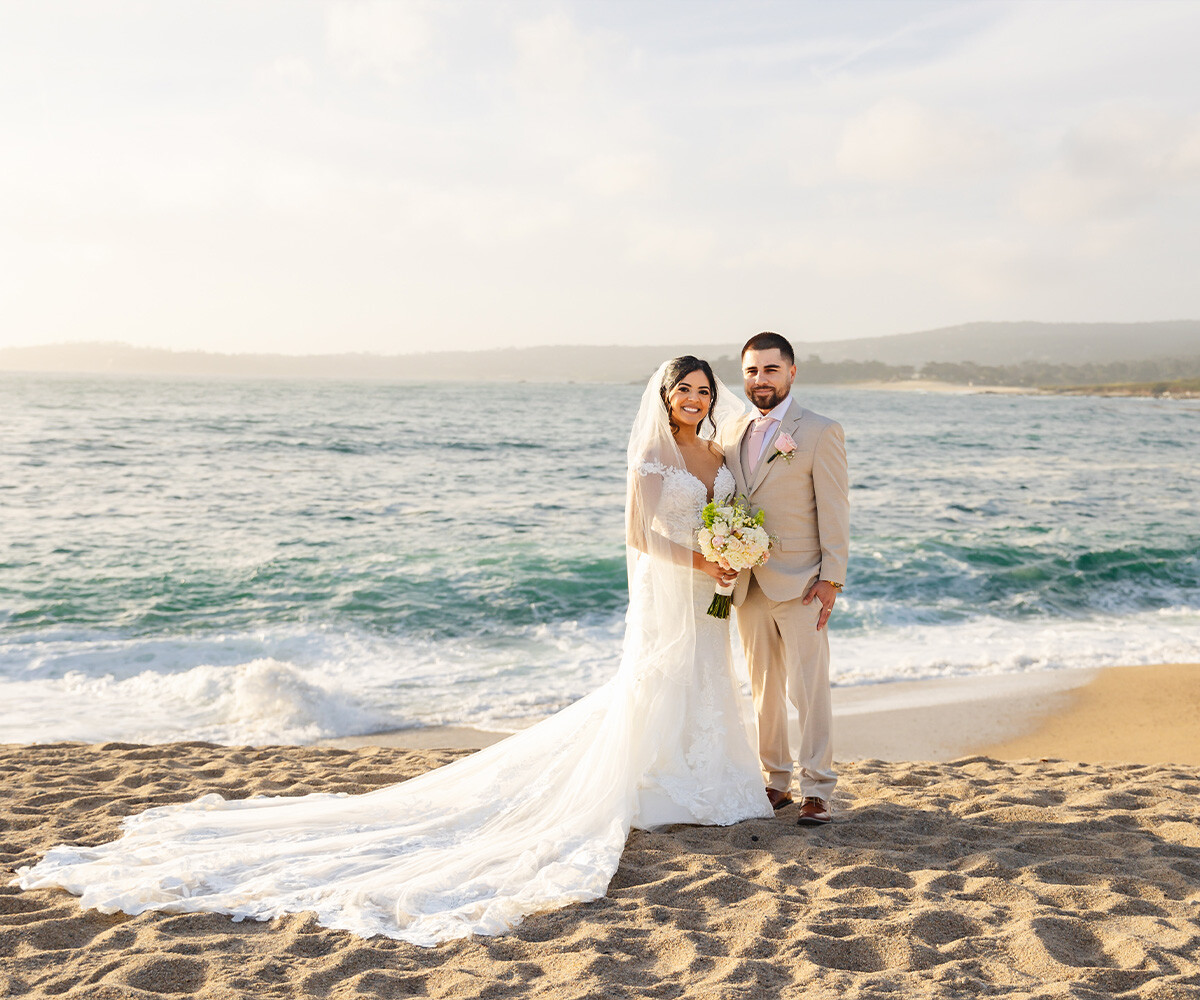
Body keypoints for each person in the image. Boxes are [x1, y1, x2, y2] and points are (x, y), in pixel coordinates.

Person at [15, 357, 772, 946]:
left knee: (703, 677)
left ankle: (700, 778)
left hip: (708, 589)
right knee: (653, 678)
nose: (697, 401)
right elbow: (640, 537)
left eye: (706, 391)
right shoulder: (648, 459)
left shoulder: (716, 456)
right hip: (671, 585)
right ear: (666, 395)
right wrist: (700, 561)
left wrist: (731, 554)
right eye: (687, 391)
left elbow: (731, 510)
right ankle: (653, 783)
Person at [722, 333, 850, 826]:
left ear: (791, 372)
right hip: (747, 583)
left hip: (801, 582)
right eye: (752, 371)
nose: (760, 380)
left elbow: (835, 511)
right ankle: (775, 782)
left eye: (770, 370)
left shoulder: (819, 431)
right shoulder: (731, 432)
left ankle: (818, 787)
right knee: (763, 688)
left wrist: (831, 579)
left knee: (809, 687)